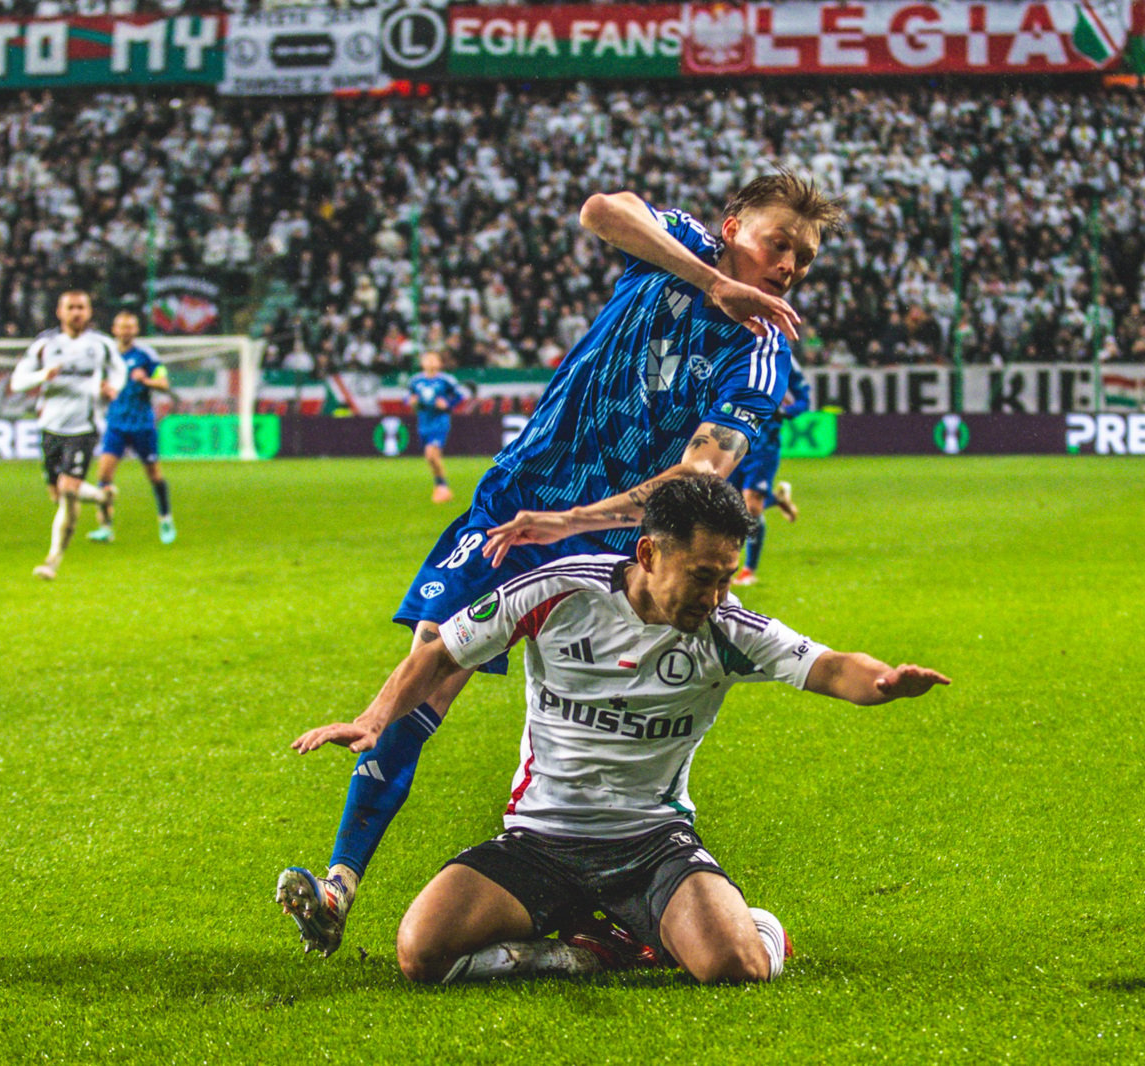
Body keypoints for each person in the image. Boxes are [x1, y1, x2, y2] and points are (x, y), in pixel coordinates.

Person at [275, 170, 844, 958]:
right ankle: (340, 885)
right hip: (519, 494)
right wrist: (714, 281)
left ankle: (624, 884)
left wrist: (572, 520)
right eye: (778, 243)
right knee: (430, 662)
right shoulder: (680, 245)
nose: (787, 266)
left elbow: (697, 477)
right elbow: (602, 211)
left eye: (803, 261)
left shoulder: (761, 354)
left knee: (604, 709)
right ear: (733, 222)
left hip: (610, 533)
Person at [289, 475, 950, 983]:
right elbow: (438, 651)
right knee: (420, 954)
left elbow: (829, 666)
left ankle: (756, 927)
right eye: (701, 577)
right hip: (537, 843)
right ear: (648, 552)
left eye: (725, 578)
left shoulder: (726, 633)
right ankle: (579, 951)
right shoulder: (558, 594)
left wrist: (883, 682)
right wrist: (374, 719)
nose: (715, 595)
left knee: (735, 967)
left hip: (652, 846)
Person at [9, 291, 125, 580]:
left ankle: (52, 560)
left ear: (89, 311)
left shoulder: (101, 344)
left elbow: (119, 370)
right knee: (57, 494)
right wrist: (42, 376)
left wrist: (113, 388)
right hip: (51, 426)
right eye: (70, 307)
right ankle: (101, 497)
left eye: (81, 307)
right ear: (59, 312)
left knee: (69, 490)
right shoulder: (45, 345)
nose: (76, 312)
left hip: (84, 427)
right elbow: (17, 381)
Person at [87, 311, 176, 545]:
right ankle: (105, 527)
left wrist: (146, 380)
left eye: (130, 327)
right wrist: (102, 389)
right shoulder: (107, 356)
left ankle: (165, 518)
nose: (126, 331)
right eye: (121, 327)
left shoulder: (146, 355)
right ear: (114, 330)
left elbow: (165, 384)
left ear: (136, 330)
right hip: (116, 423)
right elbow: (96, 386)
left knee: (154, 475)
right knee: (104, 475)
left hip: (142, 424)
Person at [730, 364, 811, 586]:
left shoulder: (783, 359)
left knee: (752, 507)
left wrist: (784, 411)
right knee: (729, 505)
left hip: (764, 446)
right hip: (730, 442)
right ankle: (776, 499)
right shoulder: (732, 344)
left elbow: (804, 399)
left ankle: (748, 569)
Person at [405, 350, 468, 504]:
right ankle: (440, 487)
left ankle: (443, 487)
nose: (431, 362)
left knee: (431, 454)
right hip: (424, 421)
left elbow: (460, 396)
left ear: (440, 363)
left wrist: (448, 404)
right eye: (428, 359)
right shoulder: (415, 381)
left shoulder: (446, 380)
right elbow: (407, 397)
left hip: (440, 421)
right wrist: (411, 401)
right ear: (422, 363)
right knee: (431, 458)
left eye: (434, 360)